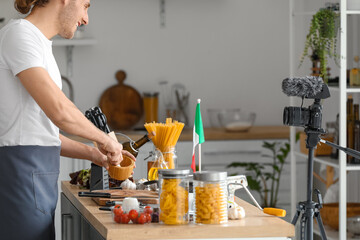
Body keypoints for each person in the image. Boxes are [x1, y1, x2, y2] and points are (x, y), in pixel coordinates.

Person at [0, 0, 136, 239]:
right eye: (85, 5)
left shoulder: (38, 42)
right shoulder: (19, 35)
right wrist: (106, 140)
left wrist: (96, 154)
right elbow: (59, 111)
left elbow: (41, 133)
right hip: (20, 177)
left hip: (36, 176)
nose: (86, 19)